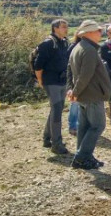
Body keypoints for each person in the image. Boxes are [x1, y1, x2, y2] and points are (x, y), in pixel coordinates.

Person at [66, 20, 111, 169]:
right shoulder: (89, 50)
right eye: (98, 30)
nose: (100, 33)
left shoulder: (78, 47)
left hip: (83, 95)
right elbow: (86, 75)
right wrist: (75, 91)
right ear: (89, 33)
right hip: (91, 94)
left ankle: (85, 157)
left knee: (84, 128)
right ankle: (81, 157)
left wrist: (72, 90)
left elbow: (70, 72)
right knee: (98, 126)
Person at [33, 19, 70, 154]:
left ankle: (47, 138)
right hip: (51, 82)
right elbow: (38, 65)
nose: (66, 29)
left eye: (67, 26)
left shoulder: (64, 42)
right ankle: (56, 144)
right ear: (55, 28)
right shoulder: (48, 43)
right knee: (57, 112)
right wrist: (41, 81)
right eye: (63, 27)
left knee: (56, 110)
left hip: (61, 81)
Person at [67, 32, 82, 136]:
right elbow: (68, 67)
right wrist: (70, 86)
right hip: (74, 81)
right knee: (75, 104)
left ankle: (80, 125)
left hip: (84, 80)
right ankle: (73, 126)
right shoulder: (73, 47)